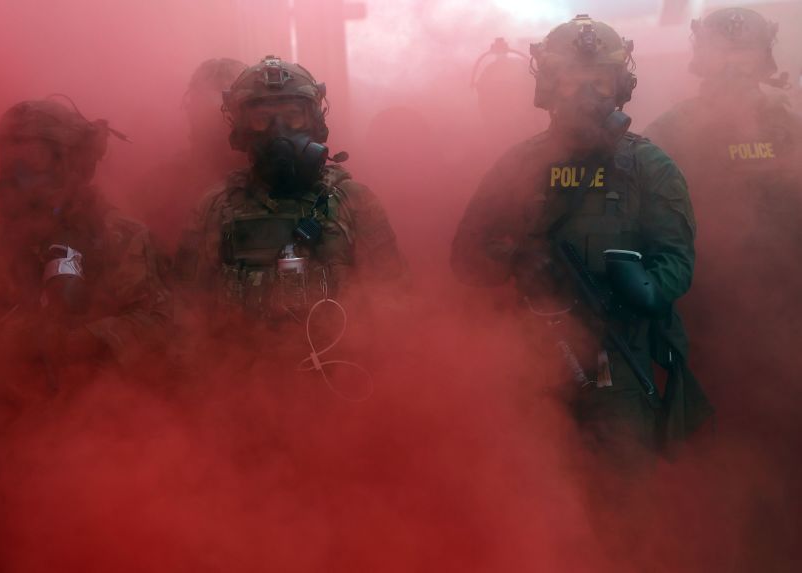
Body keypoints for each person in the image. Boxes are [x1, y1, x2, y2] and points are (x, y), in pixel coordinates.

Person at [451, 15, 712, 462]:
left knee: (627, 497)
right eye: (572, 81)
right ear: (550, 86)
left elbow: (677, 258)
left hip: (621, 358)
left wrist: (645, 289)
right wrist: (517, 259)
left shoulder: (650, 166)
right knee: (539, 495)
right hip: (533, 366)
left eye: (600, 83)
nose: (587, 95)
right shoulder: (519, 165)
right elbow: (466, 256)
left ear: (621, 85)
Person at [643, 7, 802, 444]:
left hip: (785, 307)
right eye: (724, 50)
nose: (735, 61)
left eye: (745, 50)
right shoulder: (673, 130)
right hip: (706, 306)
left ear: (763, 55)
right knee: (718, 428)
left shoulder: (790, 127)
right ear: (704, 57)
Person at [176, 55, 405, 336]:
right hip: (242, 374)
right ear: (241, 130)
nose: (278, 131)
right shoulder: (215, 206)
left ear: (315, 122)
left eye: (293, 117)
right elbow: (188, 314)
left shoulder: (353, 201)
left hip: (337, 372)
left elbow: (394, 306)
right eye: (262, 120)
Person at [0, 99, 172, 396]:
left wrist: (82, 341)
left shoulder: (116, 235)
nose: (15, 177)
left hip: (95, 410)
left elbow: (157, 325)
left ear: (71, 166)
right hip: (8, 408)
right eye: (8, 161)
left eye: (31, 161)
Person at [133, 58, 248, 253]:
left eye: (223, 114)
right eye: (203, 112)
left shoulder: (272, 179)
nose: (212, 125)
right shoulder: (158, 186)